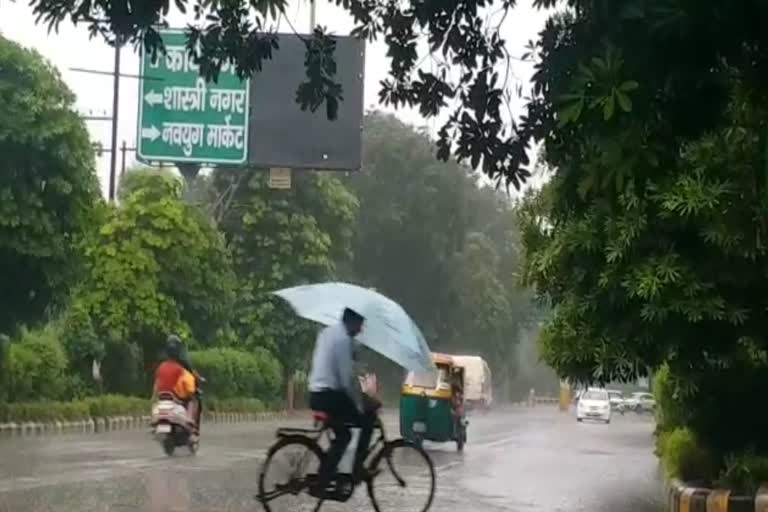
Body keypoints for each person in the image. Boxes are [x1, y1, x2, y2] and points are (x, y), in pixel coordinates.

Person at [308, 308, 380, 496]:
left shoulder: (328, 333)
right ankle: (347, 471)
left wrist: (352, 353)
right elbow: (345, 381)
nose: (361, 330)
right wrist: (362, 403)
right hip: (329, 395)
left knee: (345, 428)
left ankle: (340, 474)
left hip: (316, 392)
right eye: (360, 325)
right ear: (352, 322)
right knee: (363, 423)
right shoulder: (342, 341)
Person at [153, 337, 200, 435]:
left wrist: (154, 398)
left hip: (161, 399)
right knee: (192, 399)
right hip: (176, 399)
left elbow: (156, 385)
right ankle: (190, 421)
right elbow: (190, 385)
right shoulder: (181, 368)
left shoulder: (161, 366)